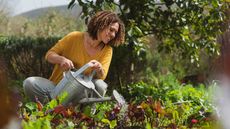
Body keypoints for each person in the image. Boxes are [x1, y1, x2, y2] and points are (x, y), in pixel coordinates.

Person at [23, 10, 125, 105]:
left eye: (115, 32)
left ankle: (85, 115)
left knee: (100, 85)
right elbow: (49, 55)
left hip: (80, 96)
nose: (113, 34)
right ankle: (52, 109)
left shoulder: (107, 50)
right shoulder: (74, 37)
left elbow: (102, 77)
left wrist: (99, 68)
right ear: (101, 25)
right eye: (111, 30)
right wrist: (62, 59)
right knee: (29, 83)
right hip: (58, 87)